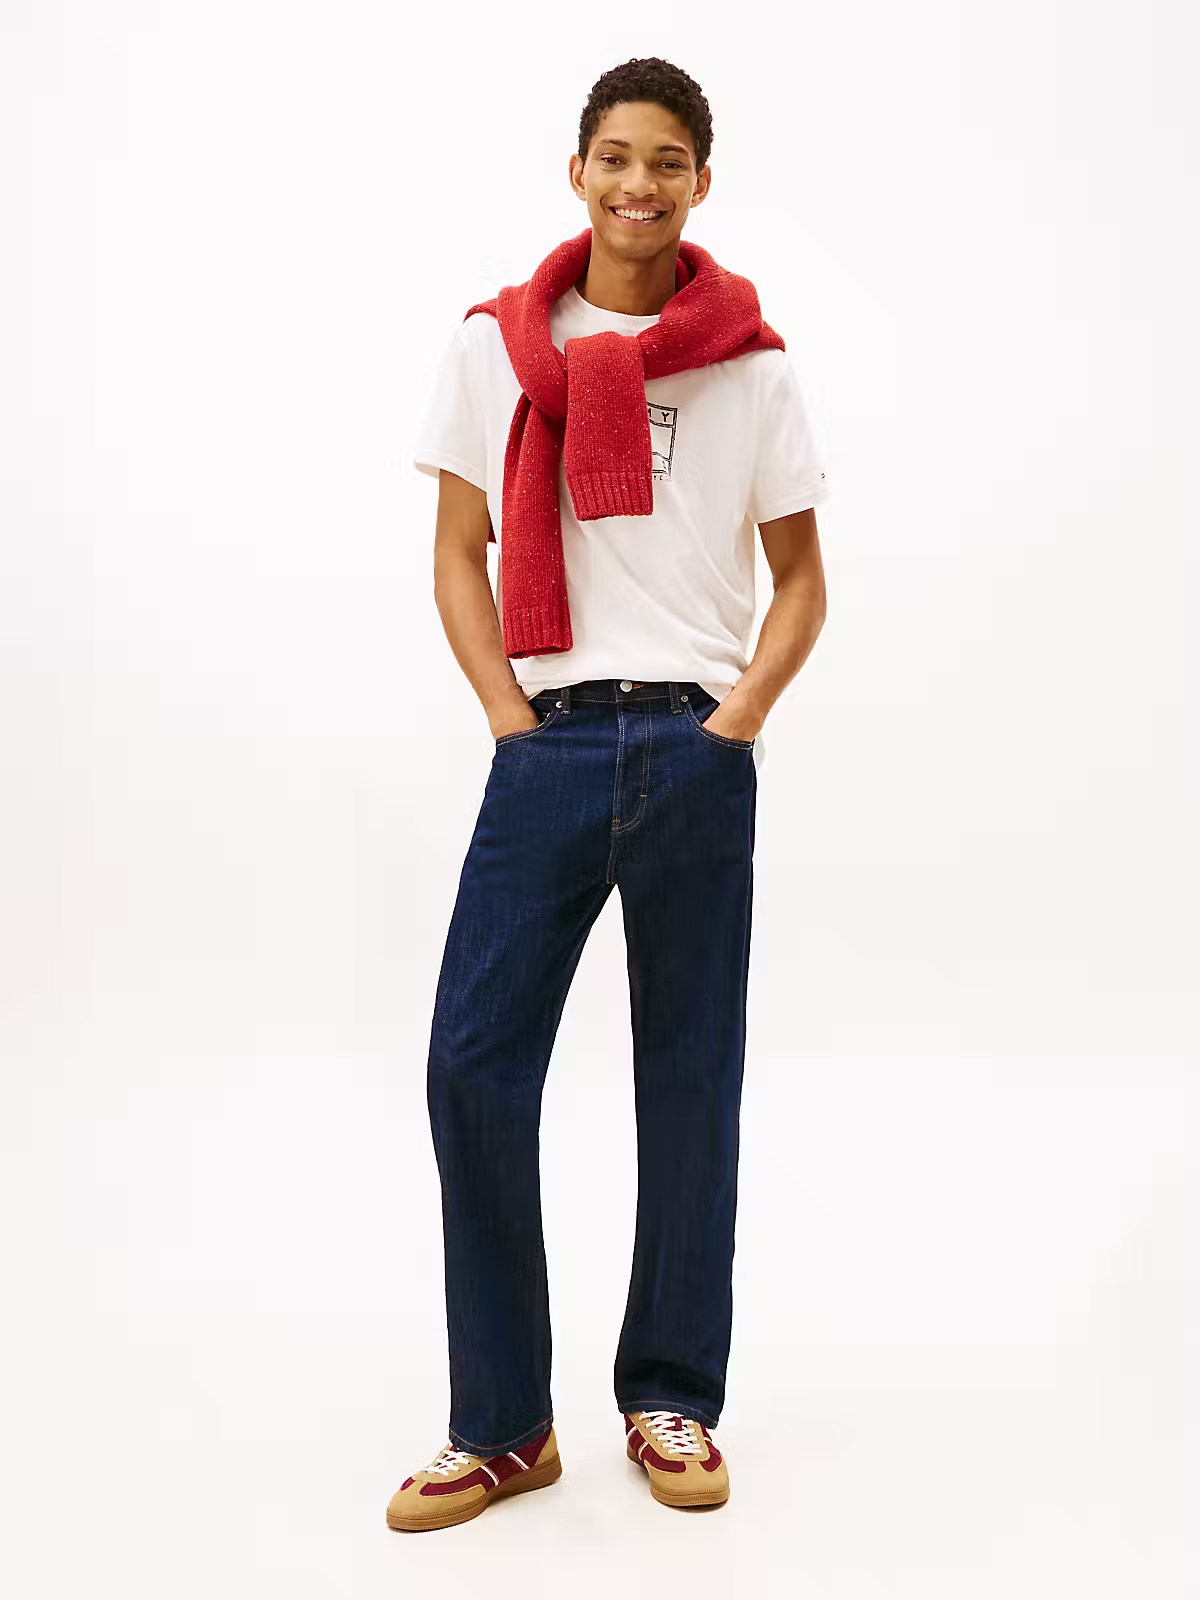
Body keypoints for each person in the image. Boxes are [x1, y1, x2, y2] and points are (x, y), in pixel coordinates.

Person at [387, 56, 829, 1533]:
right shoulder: (496, 347)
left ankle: (672, 1396)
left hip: (697, 746)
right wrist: (509, 722)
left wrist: (736, 722)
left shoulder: (753, 365)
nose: (641, 184)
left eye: (669, 162)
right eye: (617, 157)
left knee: (689, 1079)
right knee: (471, 1067)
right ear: (577, 170)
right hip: (552, 743)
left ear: (702, 183)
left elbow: (802, 580)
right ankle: (504, 1426)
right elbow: (456, 554)